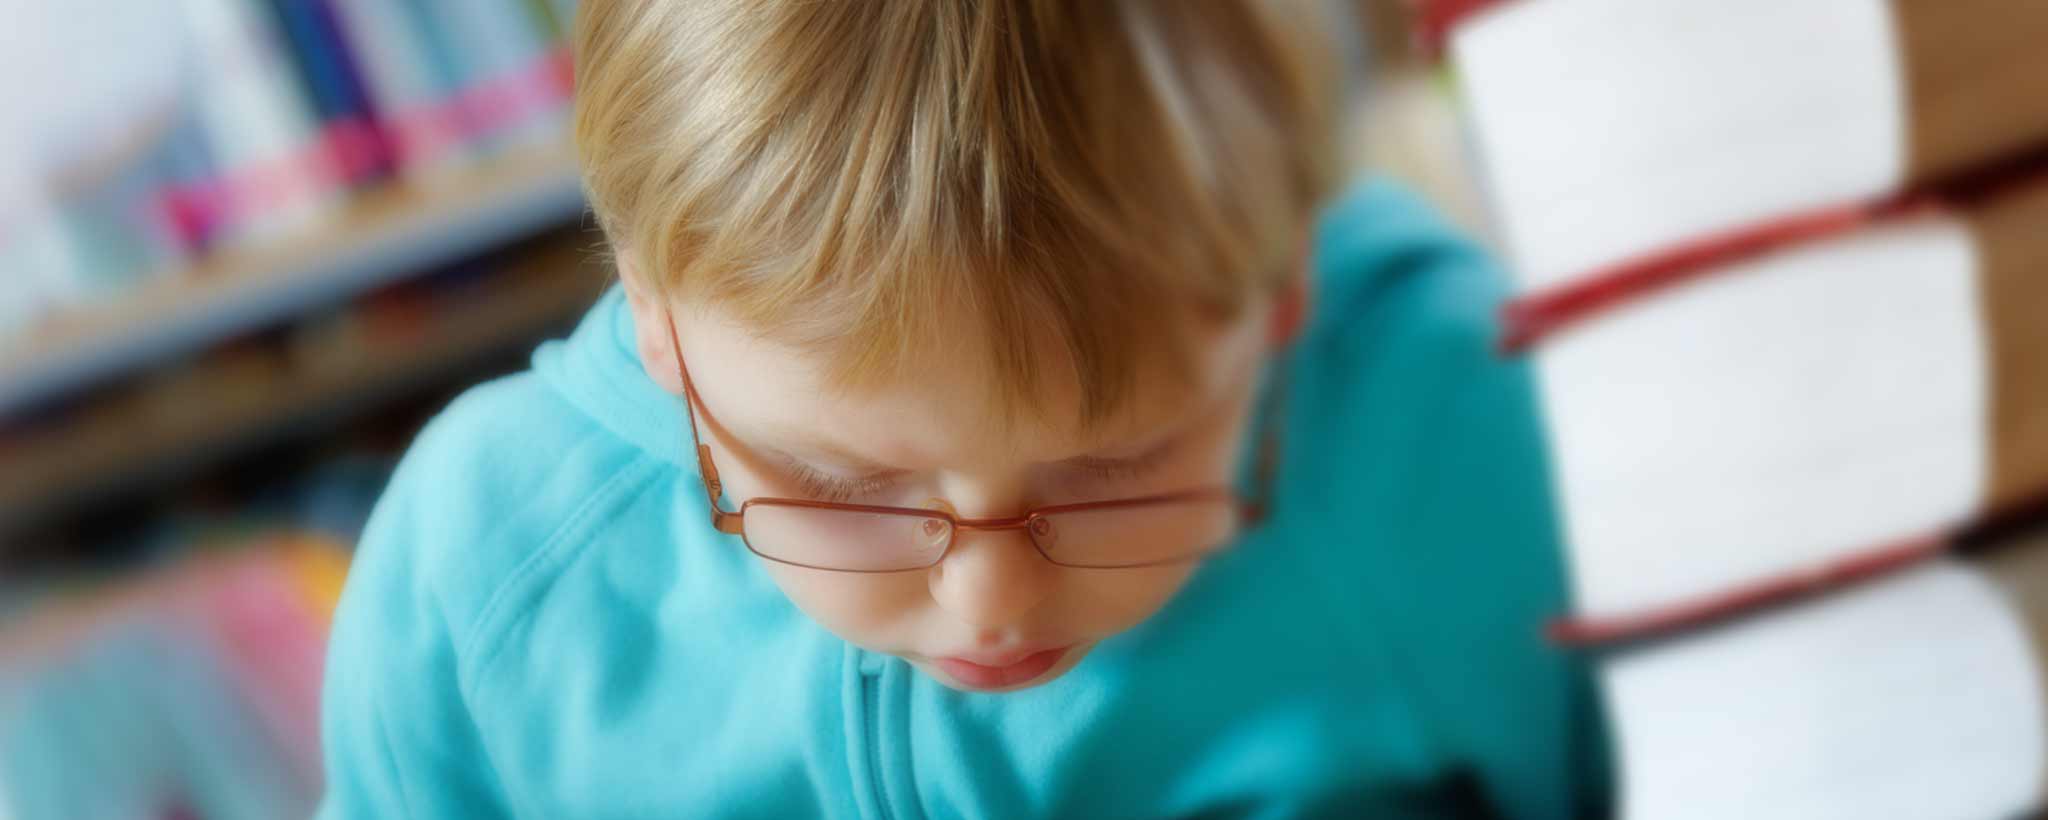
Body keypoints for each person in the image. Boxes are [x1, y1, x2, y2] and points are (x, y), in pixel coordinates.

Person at [316, 1, 1611, 816]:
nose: (992, 598)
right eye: (838, 482)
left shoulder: (1448, 447)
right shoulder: (485, 574)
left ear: (1278, 300)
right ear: (657, 318)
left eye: (1115, 465)